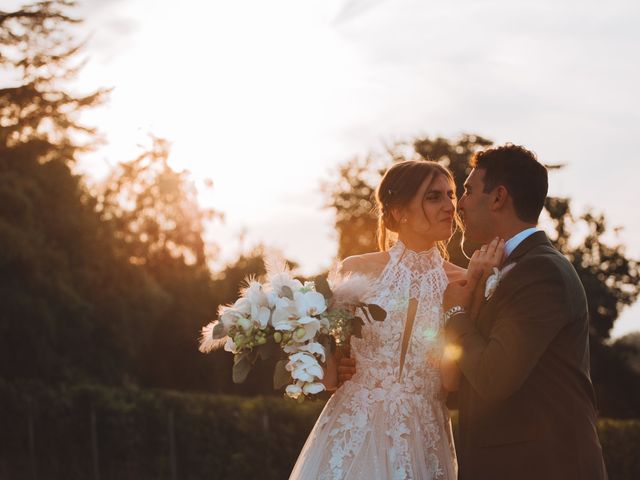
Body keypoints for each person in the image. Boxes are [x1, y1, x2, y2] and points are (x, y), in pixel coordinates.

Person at [289, 160, 467, 479]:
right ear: (400, 212)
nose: (449, 206)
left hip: (425, 437)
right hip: (354, 430)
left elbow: (451, 381)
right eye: (434, 197)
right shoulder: (357, 269)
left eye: (451, 195)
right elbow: (330, 376)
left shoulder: (464, 283)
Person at [443, 144, 608, 479]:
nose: (459, 204)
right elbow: (468, 382)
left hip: (542, 466)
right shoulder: (509, 267)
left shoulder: (540, 272)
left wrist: (455, 312)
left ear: (499, 197)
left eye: (468, 190)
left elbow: (492, 377)